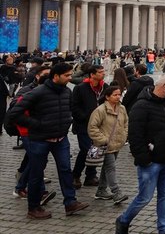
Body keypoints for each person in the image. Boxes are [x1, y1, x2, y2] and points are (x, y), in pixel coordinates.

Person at [6, 62, 90, 219]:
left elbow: (70, 109)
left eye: (71, 74)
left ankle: (70, 203)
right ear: (56, 76)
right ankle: (34, 207)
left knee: (65, 170)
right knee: (37, 173)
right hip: (40, 139)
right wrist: (37, 125)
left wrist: (69, 122)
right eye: (67, 75)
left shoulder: (67, 92)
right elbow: (14, 113)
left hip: (61, 139)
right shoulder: (37, 92)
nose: (70, 78)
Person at [115, 75, 165, 234]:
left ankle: (164, 231)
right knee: (144, 197)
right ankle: (123, 221)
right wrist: (143, 158)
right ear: (164, 86)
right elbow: (135, 135)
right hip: (151, 160)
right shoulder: (141, 106)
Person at [88, 85, 129, 204]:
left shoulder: (122, 108)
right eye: (115, 95)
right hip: (105, 145)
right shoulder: (100, 110)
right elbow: (92, 127)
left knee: (106, 168)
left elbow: (126, 123)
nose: (118, 97)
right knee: (111, 168)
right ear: (107, 97)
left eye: (119, 94)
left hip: (117, 143)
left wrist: (124, 135)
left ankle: (101, 190)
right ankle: (116, 192)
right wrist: (103, 140)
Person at [71, 64, 107, 189]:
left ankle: (90, 175)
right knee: (86, 149)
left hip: (99, 126)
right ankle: (75, 175)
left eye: (103, 72)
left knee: (95, 149)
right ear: (92, 74)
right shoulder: (80, 88)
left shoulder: (105, 87)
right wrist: (86, 117)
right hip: (83, 125)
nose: (103, 74)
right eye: (100, 72)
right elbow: (74, 107)